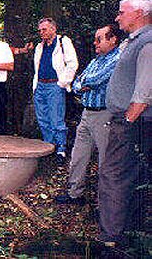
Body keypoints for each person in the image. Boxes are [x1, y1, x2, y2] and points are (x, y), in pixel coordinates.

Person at [99, 0, 151, 247]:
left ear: (139, 14)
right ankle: (127, 231)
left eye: (122, 12)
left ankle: (111, 239)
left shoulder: (147, 41)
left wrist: (127, 121)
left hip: (134, 121)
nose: (118, 17)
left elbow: (144, 91)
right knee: (129, 175)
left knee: (113, 175)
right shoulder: (134, 41)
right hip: (132, 120)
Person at [55, 25, 122, 205]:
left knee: (105, 160)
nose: (95, 43)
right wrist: (82, 83)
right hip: (87, 113)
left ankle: (106, 203)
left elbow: (95, 79)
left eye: (99, 39)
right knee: (78, 155)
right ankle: (75, 193)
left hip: (104, 115)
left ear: (113, 39)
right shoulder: (96, 60)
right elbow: (77, 83)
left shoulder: (117, 58)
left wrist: (84, 82)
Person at [33, 17, 78, 162]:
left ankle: (61, 149)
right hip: (40, 85)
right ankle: (49, 146)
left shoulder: (63, 42)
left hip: (54, 85)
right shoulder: (40, 46)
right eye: (40, 30)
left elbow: (72, 64)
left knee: (56, 118)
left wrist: (62, 82)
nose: (41, 32)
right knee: (42, 118)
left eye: (44, 29)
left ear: (53, 29)